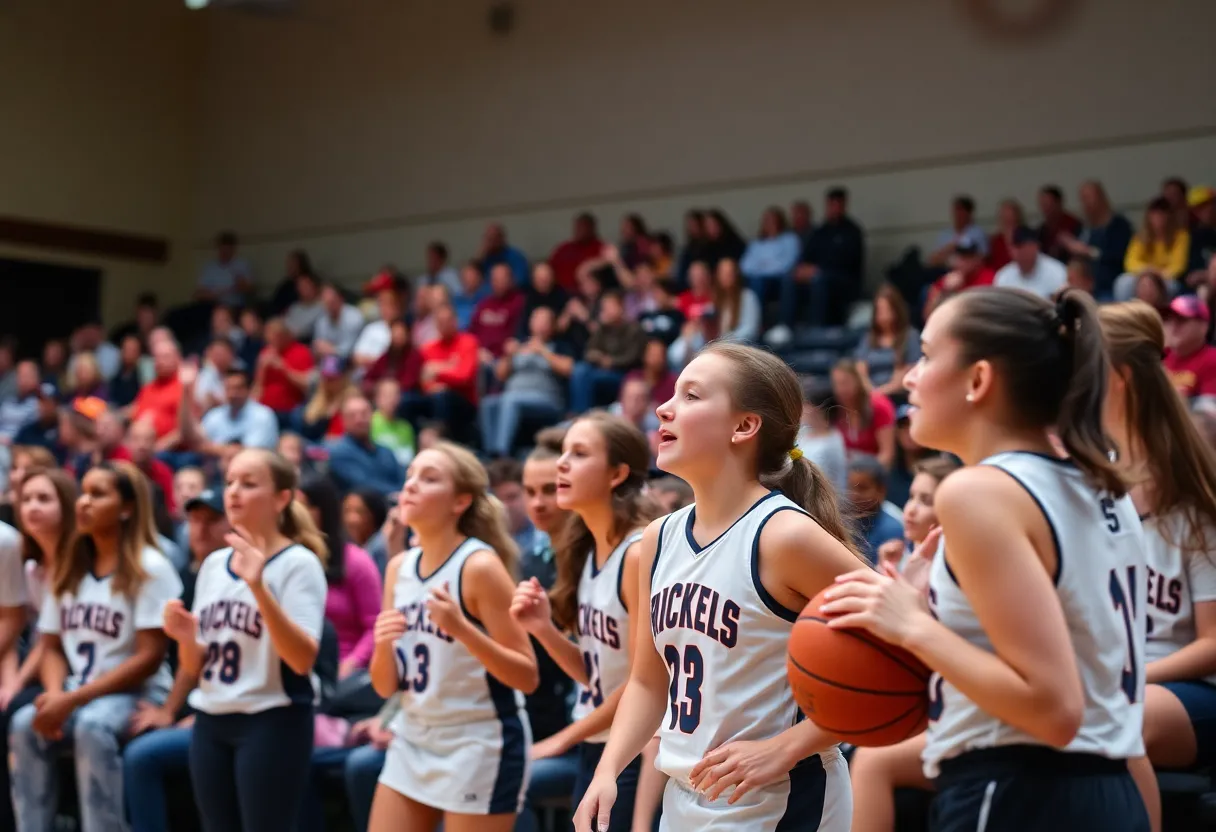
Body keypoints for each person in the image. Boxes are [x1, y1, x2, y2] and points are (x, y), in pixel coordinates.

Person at [822, 287, 1150, 831]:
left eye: (926, 356)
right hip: (1111, 789)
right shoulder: (1101, 485)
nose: (908, 376)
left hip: (1019, 791)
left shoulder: (977, 492)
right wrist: (940, 609)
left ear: (979, 380)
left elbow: (1053, 708)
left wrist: (912, 627)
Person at [575, 341, 862, 831]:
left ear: (744, 426)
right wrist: (607, 770)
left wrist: (789, 746)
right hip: (684, 798)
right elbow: (649, 680)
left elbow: (905, 649)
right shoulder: (658, 538)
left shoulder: (782, 535)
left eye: (691, 396)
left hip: (779, 797)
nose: (664, 407)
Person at [368, 442, 539, 832]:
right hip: (413, 734)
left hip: (477, 742)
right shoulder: (398, 567)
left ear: (460, 501)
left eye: (428, 479)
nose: (410, 485)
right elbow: (385, 687)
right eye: (410, 475)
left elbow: (526, 675)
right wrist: (382, 645)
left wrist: (462, 629)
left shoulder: (478, 566)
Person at [162, 449, 329, 832]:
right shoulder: (213, 564)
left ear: (282, 498)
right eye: (231, 481)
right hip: (211, 719)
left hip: (273, 719)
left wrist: (257, 585)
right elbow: (194, 666)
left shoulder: (298, 564)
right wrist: (186, 638)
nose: (234, 492)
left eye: (249, 484)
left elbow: (302, 660)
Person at [10, 461, 182, 832]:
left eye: (97, 494)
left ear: (126, 508)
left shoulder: (150, 565)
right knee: (25, 724)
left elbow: (150, 656)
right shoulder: (71, 565)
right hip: (78, 692)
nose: (84, 502)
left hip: (137, 694)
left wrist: (70, 701)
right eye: (83, 493)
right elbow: (51, 645)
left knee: (92, 725)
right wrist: (55, 695)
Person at [512, 413, 659, 831]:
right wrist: (543, 628)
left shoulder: (636, 553)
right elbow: (597, 676)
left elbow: (640, 681)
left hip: (634, 748)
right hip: (598, 744)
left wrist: (563, 737)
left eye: (578, 454)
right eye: (564, 453)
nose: (561, 464)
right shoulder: (589, 552)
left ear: (616, 474)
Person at [1100, 300, 1216, 828]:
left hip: (1186, 688)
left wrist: (1135, 673)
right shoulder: (1092, 485)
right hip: (1111, 677)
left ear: (1119, 379)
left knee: (1108, 721)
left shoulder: (1192, 504)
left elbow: (1212, 644)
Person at [0, 467, 77, 832]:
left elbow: (50, 640)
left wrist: (15, 685)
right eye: (27, 499)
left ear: (66, 504)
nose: (32, 507)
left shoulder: (78, 561)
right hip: (48, 665)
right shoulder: (32, 567)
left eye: (43, 499)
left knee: (13, 712)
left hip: (77, 669)